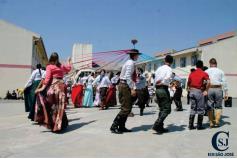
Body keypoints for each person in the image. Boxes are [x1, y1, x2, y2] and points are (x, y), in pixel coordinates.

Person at [35, 52, 72, 132]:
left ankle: (55, 125)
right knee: (60, 106)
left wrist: (42, 88)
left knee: (53, 106)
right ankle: (61, 124)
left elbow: (47, 79)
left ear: (51, 59)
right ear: (57, 59)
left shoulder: (49, 66)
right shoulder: (61, 66)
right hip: (61, 87)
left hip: (54, 88)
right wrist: (69, 61)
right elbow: (69, 68)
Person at [110, 49, 141, 134]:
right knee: (126, 108)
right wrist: (132, 88)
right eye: (137, 55)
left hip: (125, 85)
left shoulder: (130, 62)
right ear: (134, 55)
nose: (138, 56)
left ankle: (122, 126)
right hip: (125, 85)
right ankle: (114, 126)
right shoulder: (130, 63)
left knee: (128, 107)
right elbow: (127, 76)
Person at [152, 55, 173, 134]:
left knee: (162, 108)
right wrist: (163, 82)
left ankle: (160, 126)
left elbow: (155, 78)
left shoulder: (159, 68)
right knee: (167, 109)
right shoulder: (169, 69)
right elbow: (168, 78)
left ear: (165, 60)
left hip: (157, 89)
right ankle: (157, 124)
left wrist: (156, 87)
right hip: (163, 88)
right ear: (171, 62)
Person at [187, 60, 210, 130]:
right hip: (199, 91)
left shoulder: (191, 73)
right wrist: (206, 90)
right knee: (200, 108)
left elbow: (188, 82)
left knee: (193, 108)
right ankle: (199, 126)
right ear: (202, 66)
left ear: (196, 66)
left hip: (192, 91)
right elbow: (209, 82)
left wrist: (189, 89)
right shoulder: (204, 73)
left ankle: (190, 125)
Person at [205, 58, 228, 128]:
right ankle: (217, 121)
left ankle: (211, 122)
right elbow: (224, 83)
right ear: (216, 64)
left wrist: (204, 90)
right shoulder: (221, 71)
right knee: (218, 106)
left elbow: (204, 82)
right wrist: (226, 93)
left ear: (210, 63)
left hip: (209, 89)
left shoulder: (206, 71)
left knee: (209, 106)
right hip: (218, 89)